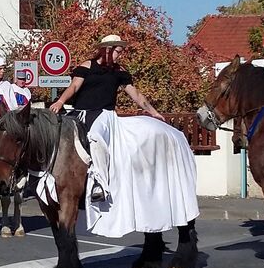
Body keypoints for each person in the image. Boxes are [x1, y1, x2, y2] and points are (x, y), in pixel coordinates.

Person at [49, 34, 199, 238]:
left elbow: (135, 94)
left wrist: (153, 112)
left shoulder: (120, 72)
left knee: (95, 138)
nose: (120, 55)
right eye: (118, 51)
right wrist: (60, 102)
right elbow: (74, 86)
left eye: (121, 51)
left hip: (103, 116)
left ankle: (99, 184)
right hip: (79, 113)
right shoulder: (87, 66)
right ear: (107, 49)